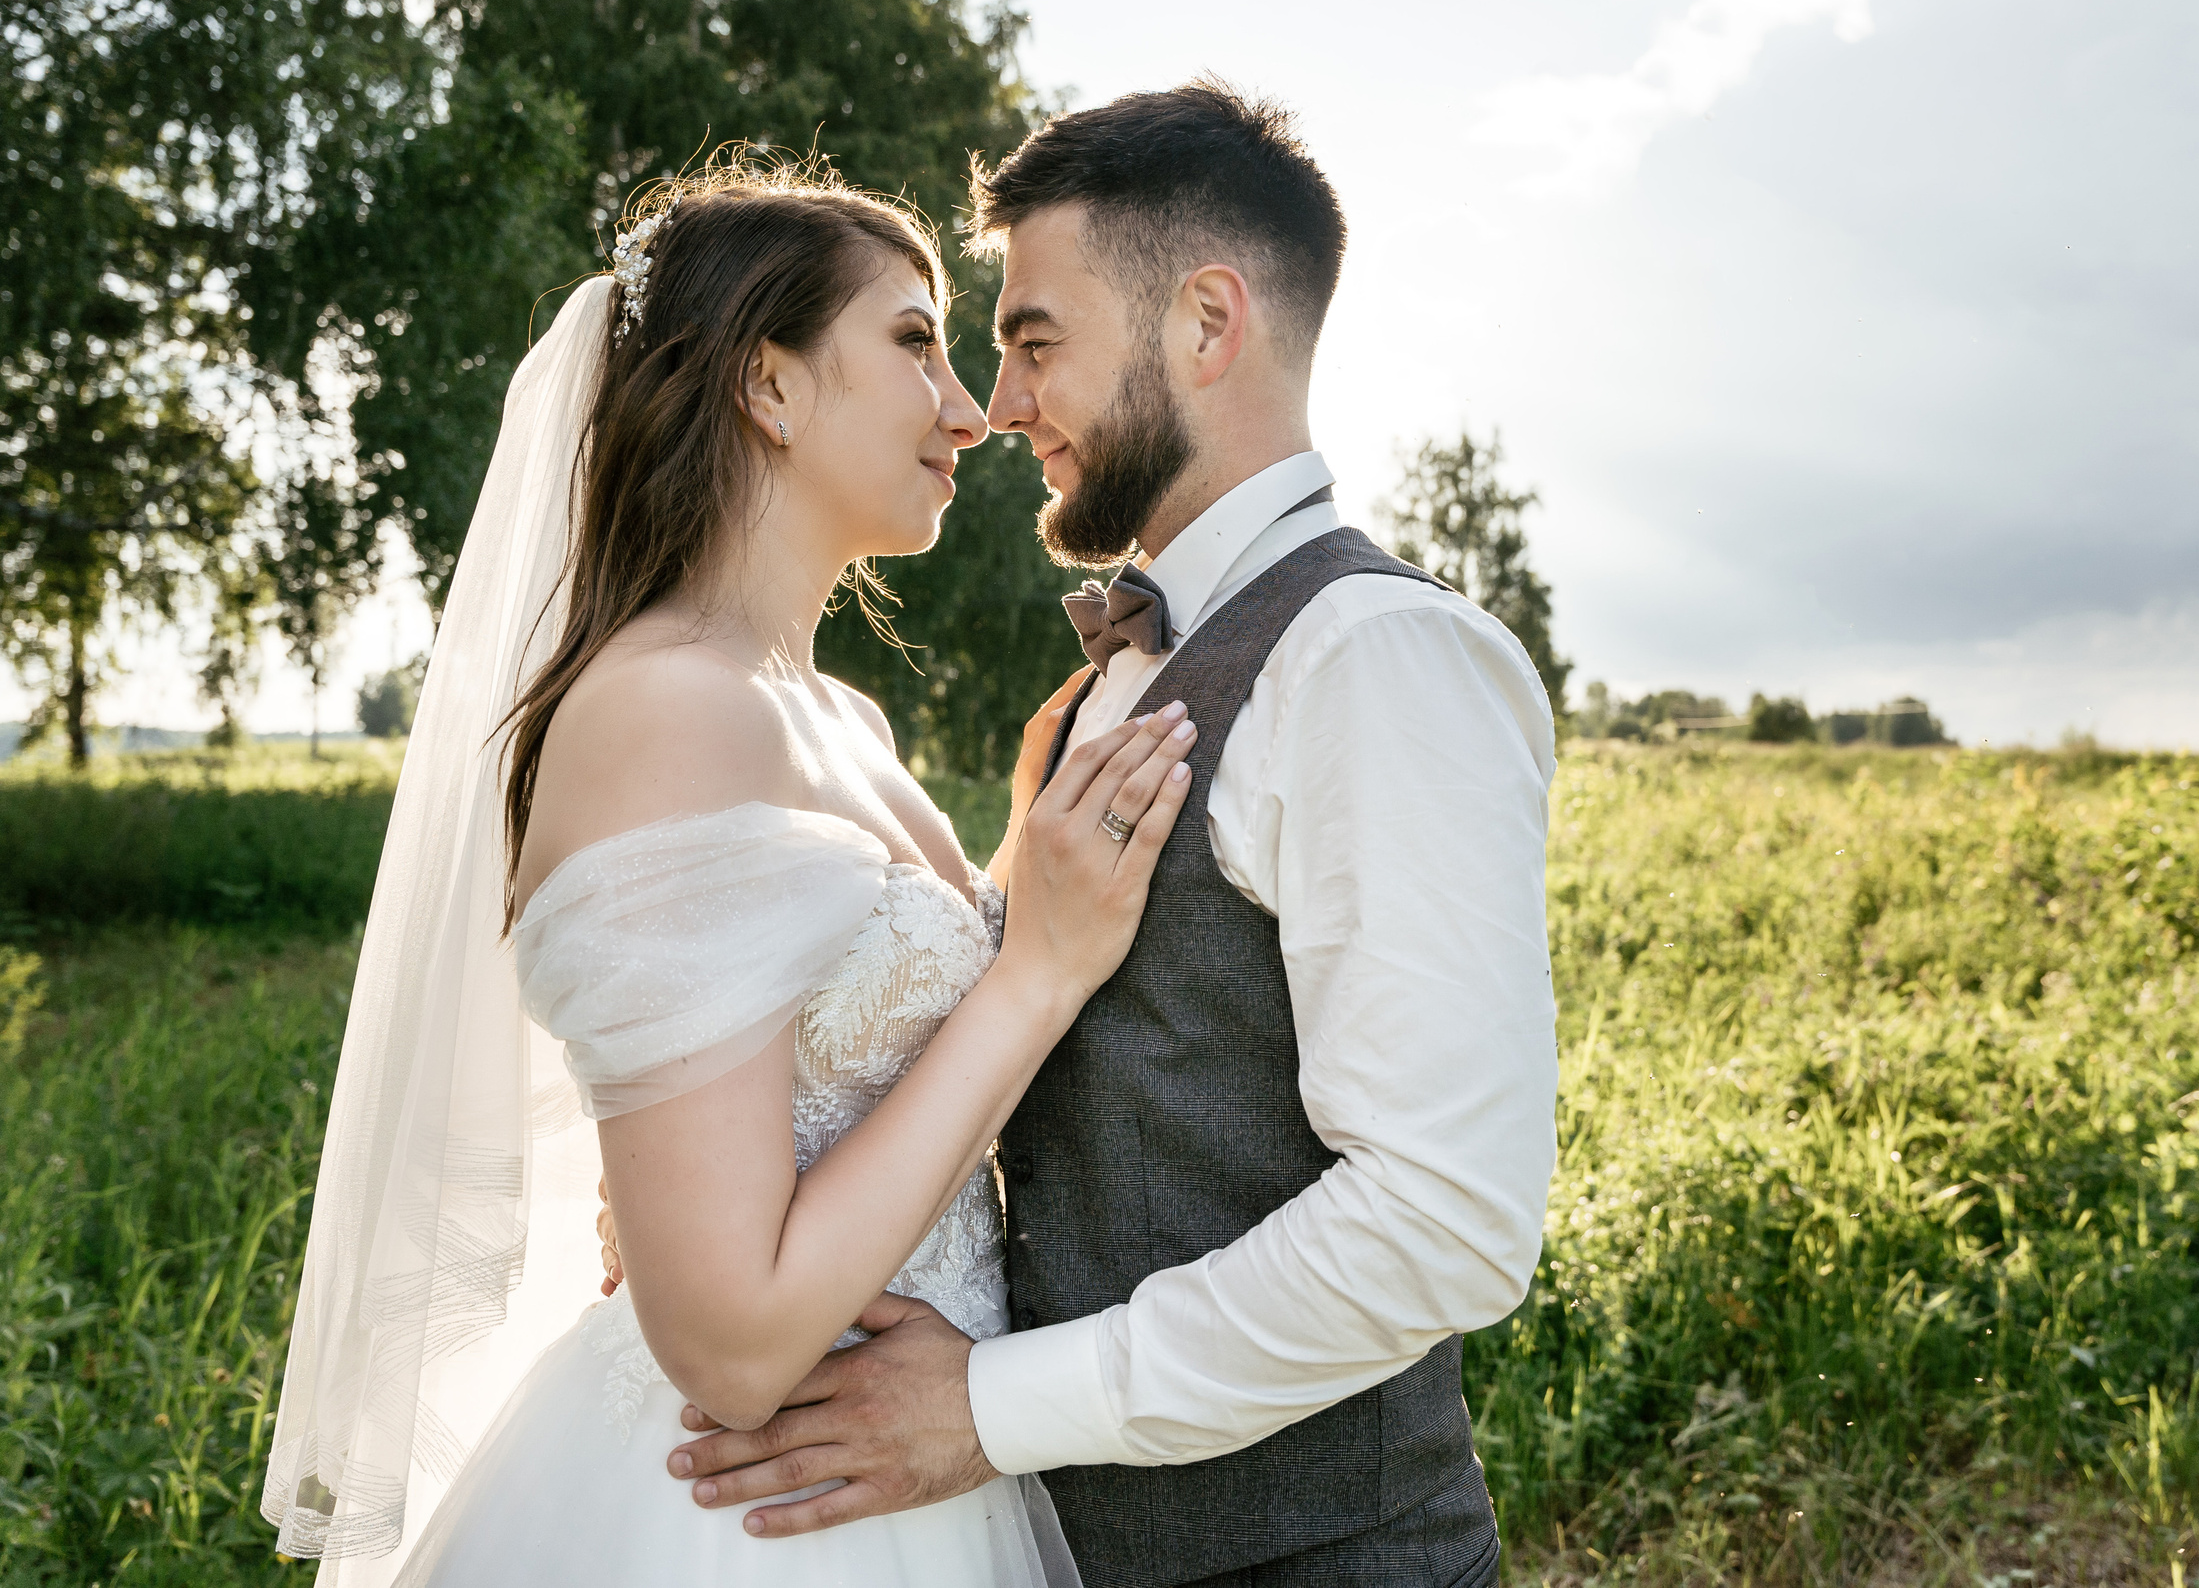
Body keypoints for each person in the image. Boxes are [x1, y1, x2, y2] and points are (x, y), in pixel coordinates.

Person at [656, 83, 1561, 1586]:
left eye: (1034, 341)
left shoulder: (1379, 661)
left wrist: (991, 1411)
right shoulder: (1115, 678)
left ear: (1209, 323)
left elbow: (1443, 1218)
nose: (999, 408)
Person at [262, 157, 1190, 1586]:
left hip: (912, 1475)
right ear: (767, 387)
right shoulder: (663, 712)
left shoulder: (830, 714)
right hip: (750, 1519)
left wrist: (1017, 845)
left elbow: (838, 1029)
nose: (969, 410)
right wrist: (1044, 965)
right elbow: (740, 1342)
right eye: (911, 340)